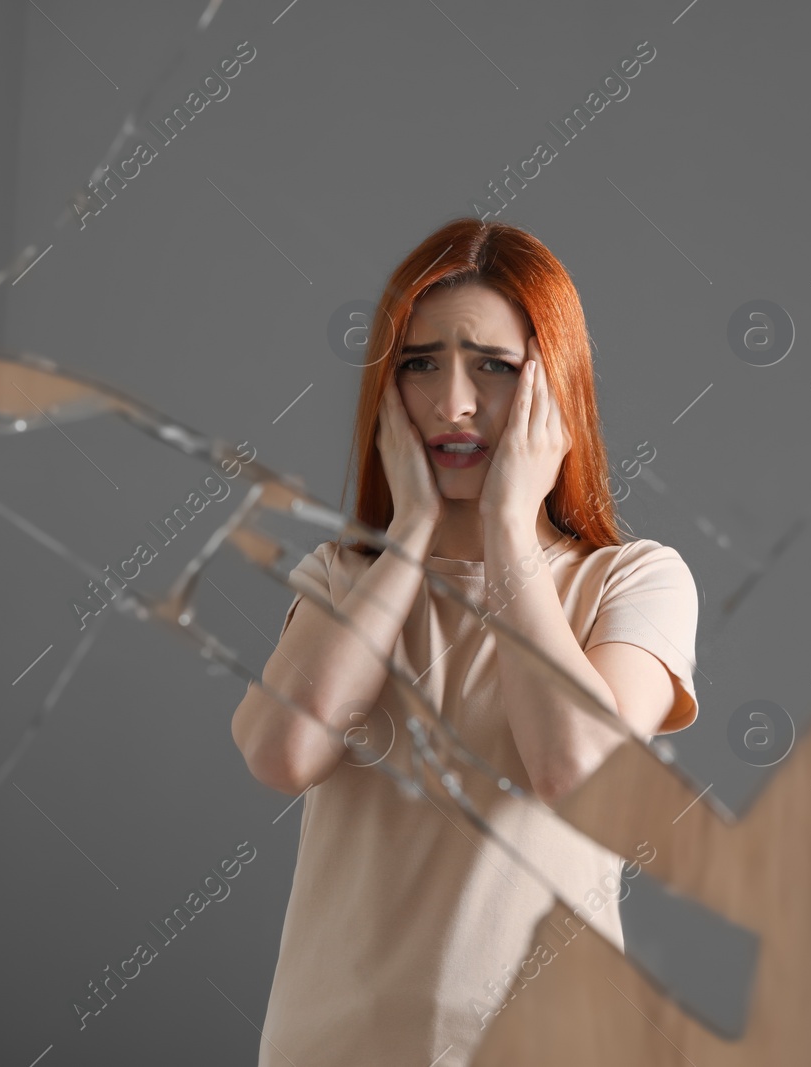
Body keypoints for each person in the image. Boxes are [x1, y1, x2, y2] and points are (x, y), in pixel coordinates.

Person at [229, 217, 700, 1066]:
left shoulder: (633, 581)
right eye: (420, 364)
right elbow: (281, 752)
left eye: (494, 367)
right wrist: (408, 534)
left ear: (556, 387)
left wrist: (509, 532)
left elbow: (577, 774)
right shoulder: (342, 577)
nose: (453, 403)